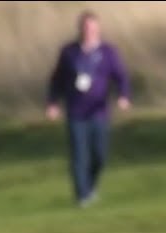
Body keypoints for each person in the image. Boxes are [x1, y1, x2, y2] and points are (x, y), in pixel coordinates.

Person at [44, 10, 132, 207]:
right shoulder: (69, 52)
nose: (89, 32)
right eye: (85, 28)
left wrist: (124, 96)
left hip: (98, 111)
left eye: (93, 28)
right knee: (78, 155)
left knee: (99, 155)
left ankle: (90, 187)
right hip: (75, 112)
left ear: (98, 29)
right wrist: (52, 103)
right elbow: (56, 80)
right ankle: (82, 196)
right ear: (80, 29)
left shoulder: (108, 52)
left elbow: (121, 77)